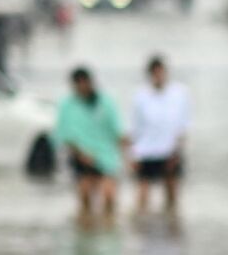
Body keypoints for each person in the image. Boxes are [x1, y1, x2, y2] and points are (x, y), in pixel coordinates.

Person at [54, 67, 126, 218]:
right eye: (79, 84)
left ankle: (107, 229)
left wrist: (125, 157)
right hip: (80, 156)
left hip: (106, 156)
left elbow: (118, 132)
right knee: (85, 197)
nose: (83, 87)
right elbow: (64, 136)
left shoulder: (106, 103)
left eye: (85, 83)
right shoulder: (67, 106)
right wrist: (81, 155)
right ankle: (86, 231)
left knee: (109, 197)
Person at [129, 55, 191, 215]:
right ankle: (141, 228)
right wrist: (132, 155)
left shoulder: (180, 94)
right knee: (142, 195)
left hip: (169, 150)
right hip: (146, 150)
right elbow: (135, 127)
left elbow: (183, 127)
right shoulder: (140, 96)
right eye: (155, 73)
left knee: (172, 195)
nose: (158, 76)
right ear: (150, 75)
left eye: (161, 72)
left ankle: (171, 224)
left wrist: (177, 152)